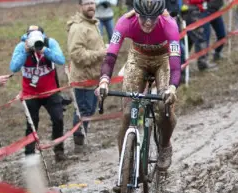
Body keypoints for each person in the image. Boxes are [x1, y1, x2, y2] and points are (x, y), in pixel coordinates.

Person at [97, 0, 180, 171]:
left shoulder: (169, 24)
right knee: (128, 114)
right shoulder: (125, 22)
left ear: (160, 15)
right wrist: (104, 80)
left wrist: (172, 88)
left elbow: (175, 63)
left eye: (153, 18)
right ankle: (123, 167)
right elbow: (111, 55)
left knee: (164, 106)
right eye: (144, 18)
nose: (148, 23)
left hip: (162, 60)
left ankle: (164, 146)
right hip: (138, 59)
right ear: (136, 13)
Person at [9, 25, 66, 162]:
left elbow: (61, 60)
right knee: (31, 124)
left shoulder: (49, 43)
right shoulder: (21, 47)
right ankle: (30, 155)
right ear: (27, 37)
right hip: (30, 93)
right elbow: (14, 67)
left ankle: (58, 150)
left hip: (50, 91)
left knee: (58, 119)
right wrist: (25, 51)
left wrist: (45, 50)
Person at [67, 0, 107, 151]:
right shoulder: (78, 28)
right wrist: (101, 53)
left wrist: (104, 50)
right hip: (83, 79)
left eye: (92, 2)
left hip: (93, 76)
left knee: (89, 110)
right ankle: (78, 144)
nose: (91, 6)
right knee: (83, 111)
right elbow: (77, 54)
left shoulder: (92, 24)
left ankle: (82, 138)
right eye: (87, 3)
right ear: (80, 6)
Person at [184, 0, 217, 70]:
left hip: (196, 11)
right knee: (200, 39)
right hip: (192, 12)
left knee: (190, 39)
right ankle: (202, 63)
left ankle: (182, 64)